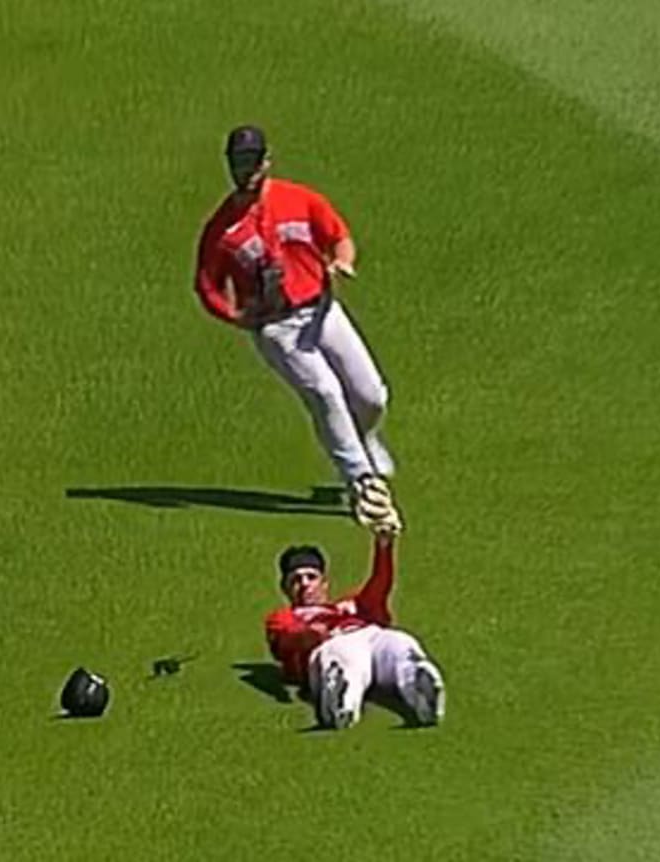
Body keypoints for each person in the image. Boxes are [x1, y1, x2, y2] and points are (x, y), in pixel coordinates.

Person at [195, 124, 395, 509]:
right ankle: (361, 481)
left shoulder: (298, 199)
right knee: (324, 392)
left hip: (322, 310)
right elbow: (207, 284)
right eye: (238, 162)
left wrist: (342, 261)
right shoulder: (221, 230)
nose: (246, 170)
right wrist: (235, 315)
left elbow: (338, 235)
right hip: (276, 327)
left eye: (252, 161)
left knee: (371, 396)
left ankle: (364, 440)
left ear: (267, 161)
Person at [263, 518, 445, 730]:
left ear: (324, 583)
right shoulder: (283, 616)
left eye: (311, 577)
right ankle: (341, 702)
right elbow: (287, 637)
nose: (304, 585)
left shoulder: (351, 604)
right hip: (328, 646)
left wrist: (384, 546)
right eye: (296, 580)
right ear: (285, 588)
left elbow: (379, 586)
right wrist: (311, 633)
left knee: (400, 642)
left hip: (371, 638)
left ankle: (420, 689)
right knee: (343, 655)